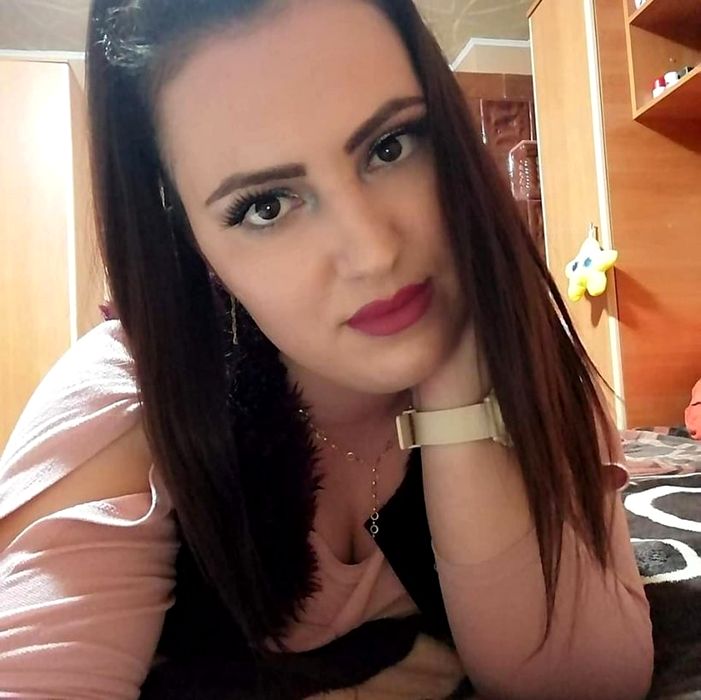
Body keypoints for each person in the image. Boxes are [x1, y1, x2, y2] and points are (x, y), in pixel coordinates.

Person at [0, 0, 654, 697]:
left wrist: (456, 392)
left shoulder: (524, 350)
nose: (374, 253)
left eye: (390, 146)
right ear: (189, 240)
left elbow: (586, 684)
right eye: (265, 205)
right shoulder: (127, 399)